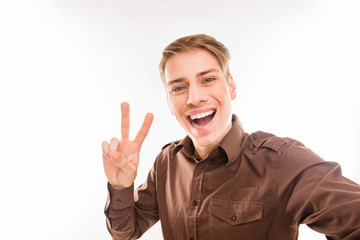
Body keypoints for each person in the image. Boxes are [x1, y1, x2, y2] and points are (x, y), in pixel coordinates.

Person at [102, 34, 360, 240]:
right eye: (179, 88)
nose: (194, 98)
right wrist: (121, 186)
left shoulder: (281, 161)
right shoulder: (166, 163)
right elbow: (125, 232)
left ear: (231, 86)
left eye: (208, 79)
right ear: (169, 103)